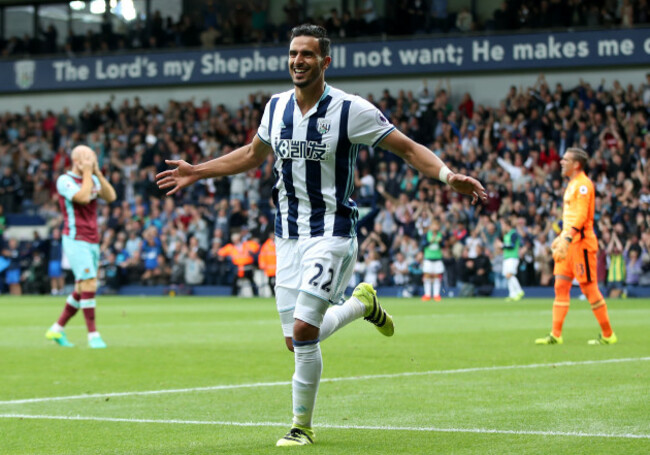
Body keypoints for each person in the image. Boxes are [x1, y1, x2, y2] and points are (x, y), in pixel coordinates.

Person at [156, 24, 486, 447]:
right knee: (295, 341)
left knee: (304, 331)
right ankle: (361, 304)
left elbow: (406, 148)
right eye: (294, 53)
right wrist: (197, 171)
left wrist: (448, 175)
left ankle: (301, 426)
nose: (298, 61)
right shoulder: (275, 108)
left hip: (331, 231)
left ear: (325, 62)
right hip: (287, 236)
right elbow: (253, 154)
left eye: (308, 54)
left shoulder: (351, 111)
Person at [536, 148, 617, 346]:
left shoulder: (583, 185)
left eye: (566, 160)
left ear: (577, 164)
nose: (561, 162)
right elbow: (571, 217)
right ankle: (556, 334)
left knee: (589, 289)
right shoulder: (572, 184)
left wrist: (568, 236)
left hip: (581, 244)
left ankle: (608, 335)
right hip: (569, 243)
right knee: (560, 286)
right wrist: (561, 236)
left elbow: (581, 216)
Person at [45, 145, 117, 349]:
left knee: (82, 287)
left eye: (93, 157)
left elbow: (111, 197)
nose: (92, 161)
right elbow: (83, 197)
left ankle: (56, 329)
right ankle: (93, 334)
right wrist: (88, 173)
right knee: (89, 283)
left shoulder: (92, 178)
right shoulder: (64, 181)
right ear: (76, 160)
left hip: (93, 239)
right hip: (76, 238)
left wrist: (97, 175)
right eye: (88, 158)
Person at [500, 216, 524, 301]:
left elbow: (512, 246)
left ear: (507, 225)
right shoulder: (507, 235)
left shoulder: (513, 234)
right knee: (508, 276)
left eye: (502, 225)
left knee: (510, 274)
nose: (502, 227)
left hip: (513, 257)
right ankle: (512, 294)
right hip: (507, 257)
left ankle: (519, 290)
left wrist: (502, 245)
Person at [422, 219, 444, 301]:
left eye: (437, 225)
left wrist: (440, 242)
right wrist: (430, 241)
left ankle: (436, 294)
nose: (436, 227)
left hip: (437, 258)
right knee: (427, 276)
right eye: (434, 225)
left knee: (437, 277)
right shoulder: (426, 235)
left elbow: (443, 245)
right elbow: (423, 244)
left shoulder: (440, 235)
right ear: (431, 226)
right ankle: (427, 294)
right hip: (428, 258)